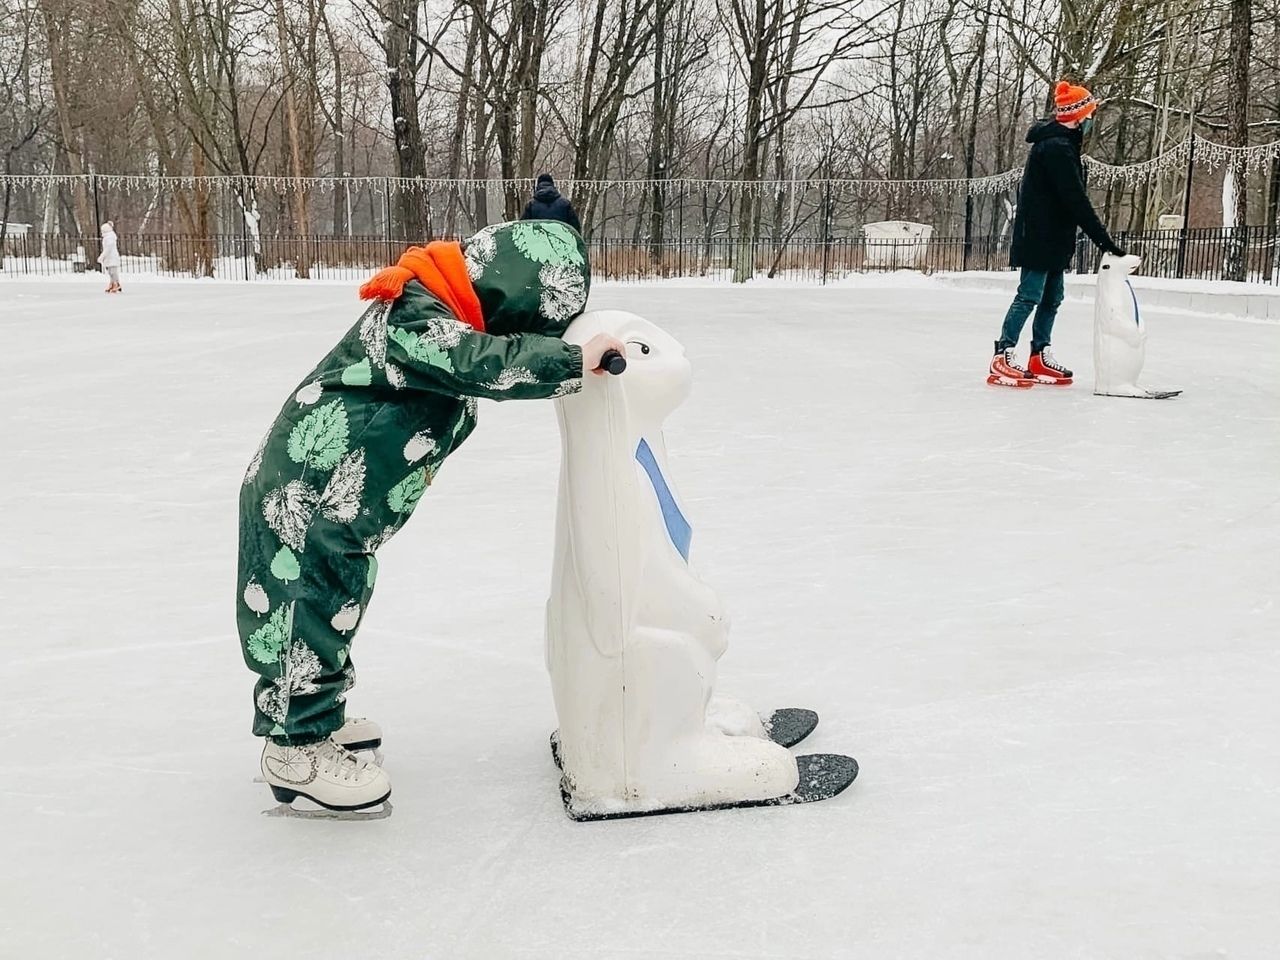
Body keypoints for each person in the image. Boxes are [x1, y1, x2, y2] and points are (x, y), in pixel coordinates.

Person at [237, 220, 624, 815]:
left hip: (340, 508)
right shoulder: (413, 316)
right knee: (303, 608)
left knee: (334, 602)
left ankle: (318, 716)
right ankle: (294, 746)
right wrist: (571, 359)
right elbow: (478, 361)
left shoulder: (438, 302)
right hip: (307, 499)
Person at [988, 81, 1127, 388]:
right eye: (1090, 113)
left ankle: (1038, 354)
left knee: (1053, 297)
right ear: (1079, 115)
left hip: (1054, 235)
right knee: (1030, 295)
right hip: (1039, 234)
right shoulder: (1056, 147)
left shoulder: (1065, 144)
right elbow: (1075, 199)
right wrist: (1105, 241)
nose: (1092, 120)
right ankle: (1003, 354)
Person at [98, 220, 121, 293]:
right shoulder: (108, 237)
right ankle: (113, 283)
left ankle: (115, 284)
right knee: (111, 272)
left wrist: (102, 256)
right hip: (109, 258)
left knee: (113, 272)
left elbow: (108, 249)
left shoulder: (109, 238)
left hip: (112, 257)